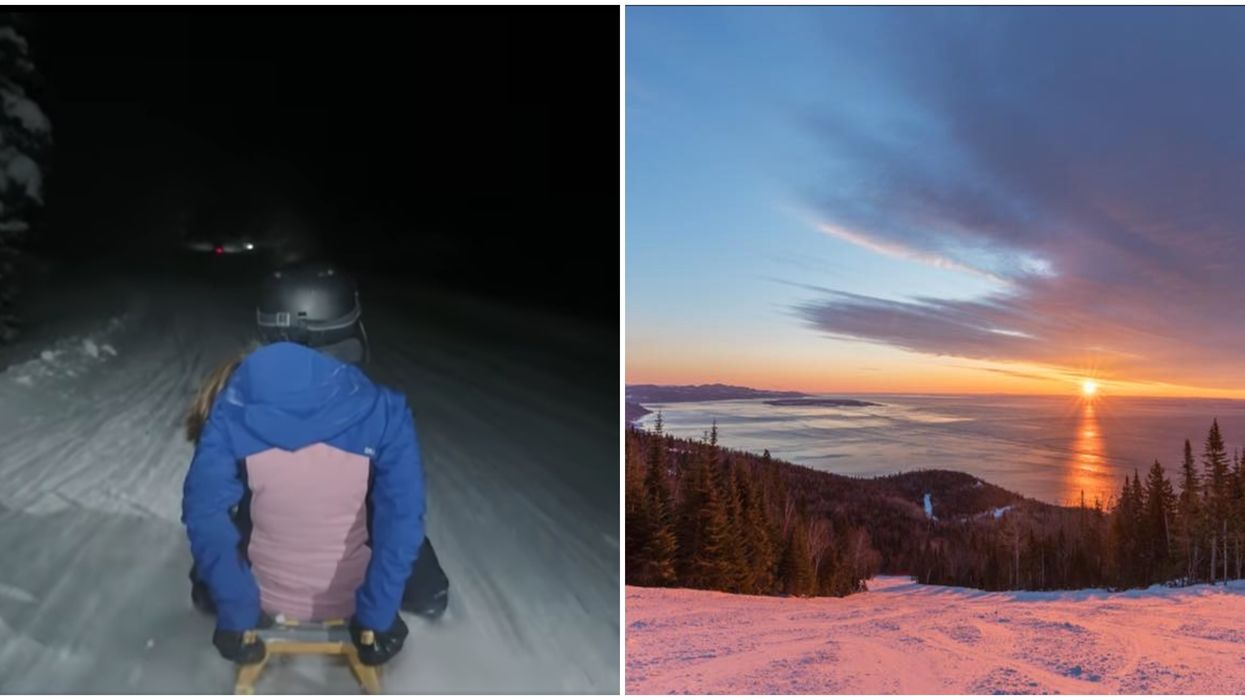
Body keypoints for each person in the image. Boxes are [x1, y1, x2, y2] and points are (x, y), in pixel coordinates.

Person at [181, 263, 450, 667]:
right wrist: (376, 617)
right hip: (357, 595)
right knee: (398, 525)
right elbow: (402, 519)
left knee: (243, 512)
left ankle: (223, 592)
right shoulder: (386, 410)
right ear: (347, 328)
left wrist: (236, 613)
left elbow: (204, 513)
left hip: (262, 595)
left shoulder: (231, 405)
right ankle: (417, 601)